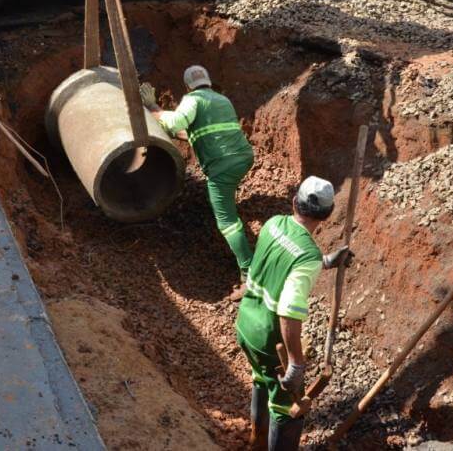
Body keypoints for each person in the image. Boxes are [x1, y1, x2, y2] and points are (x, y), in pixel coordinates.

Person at [235, 176, 352, 451]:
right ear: (327, 215)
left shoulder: (273, 223)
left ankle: (256, 441)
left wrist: (326, 261)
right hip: (268, 338)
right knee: (287, 408)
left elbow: (282, 257)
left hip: (245, 324)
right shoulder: (307, 256)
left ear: (294, 202)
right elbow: (288, 312)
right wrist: (296, 363)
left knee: (262, 378)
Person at [141, 66, 255, 291]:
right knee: (225, 196)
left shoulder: (192, 100)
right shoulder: (222, 100)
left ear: (187, 87)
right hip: (243, 157)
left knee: (227, 221)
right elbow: (198, 132)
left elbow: (174, 124)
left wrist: (152, 106)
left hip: (223, 167)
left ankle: (249, 272)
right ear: (209, 82)